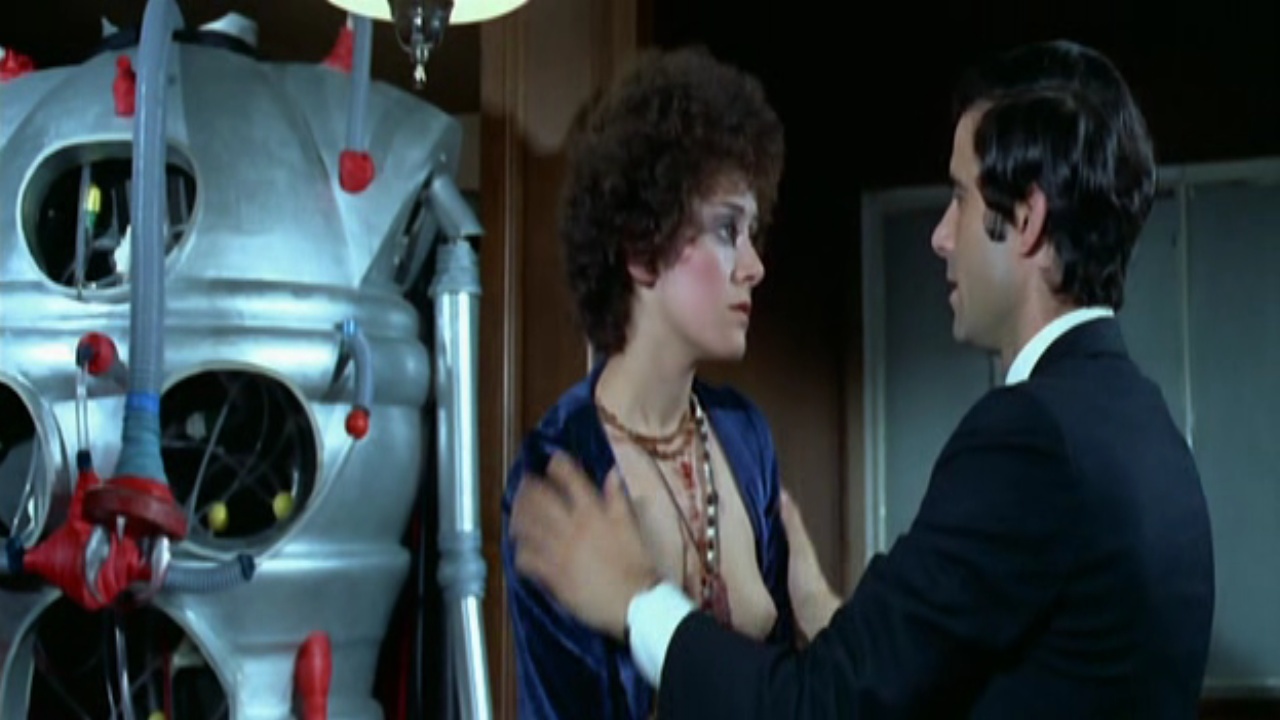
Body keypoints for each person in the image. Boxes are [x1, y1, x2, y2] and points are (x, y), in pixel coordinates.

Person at [507, 39, 1217, 719]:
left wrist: (635, 599)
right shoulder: (1148, 427)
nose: (941, 234)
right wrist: (823, 613)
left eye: (961, 198)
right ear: (639, 249)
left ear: (1025, 220)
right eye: (727, 230)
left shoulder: (1032, 440)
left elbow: (824, 703)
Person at [499, 46, 794, 719]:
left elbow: (782, 684)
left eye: (753, 232)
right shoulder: (561, 464)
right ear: (640, 248)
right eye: (727, 229)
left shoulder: (744, 434)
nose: (753, 266)